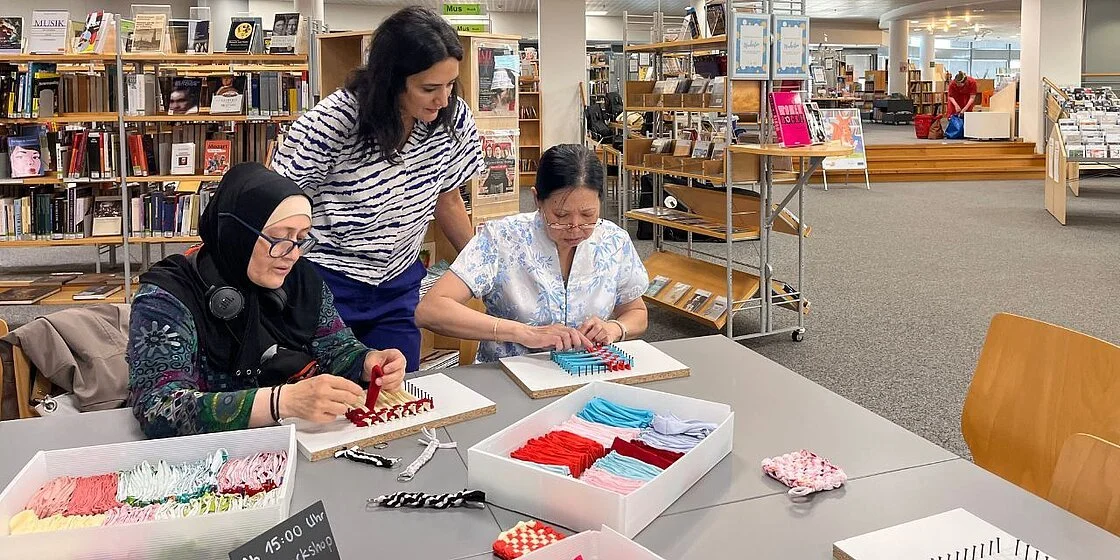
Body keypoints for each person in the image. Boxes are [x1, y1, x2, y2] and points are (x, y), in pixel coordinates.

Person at [272, 6, 483, 372]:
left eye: (451, 84)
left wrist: (483, 271)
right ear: (390, 79)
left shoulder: (453, 118)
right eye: (429, 88)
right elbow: (277, 201)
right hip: (325, 283)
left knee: (397, 392)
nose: (444, 99)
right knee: (330, 400)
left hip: (397, 283)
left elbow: (448, 202)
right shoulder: (335, 120)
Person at [127, 163, 406, 438]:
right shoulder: (166, 297)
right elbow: (158, 408)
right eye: (279, 238)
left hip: (300, 441)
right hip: (209, 456)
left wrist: (368, 361)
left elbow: (335, 347)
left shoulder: (301, 279)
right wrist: (280, 402)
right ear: (239, 233)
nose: (293, 253)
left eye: (301, 238)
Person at [415, 144, 649, 362]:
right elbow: (431, 309)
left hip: (587, 370)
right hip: (510, 374)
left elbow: (636, 311)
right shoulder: (502, 237)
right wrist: (523, 333)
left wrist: (616, 328)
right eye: (560, 216)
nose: (575, 227)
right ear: (537, 199)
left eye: (588, 215)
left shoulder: (614, 241)